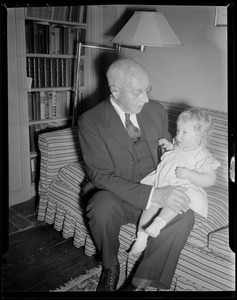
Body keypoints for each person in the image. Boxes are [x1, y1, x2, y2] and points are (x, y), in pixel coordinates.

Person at [78, 58, 193, 292]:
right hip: (115, 195)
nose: (146, 99)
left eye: (147, 89)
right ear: (115, 91)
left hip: (153, 190)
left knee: (185, 213)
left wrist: (174, 153)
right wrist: (155, 195)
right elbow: (101, 176)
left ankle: (139, 283)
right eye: (138, 92)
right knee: (101, 206)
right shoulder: (91, 120)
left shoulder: (155, 110)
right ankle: (110, 265)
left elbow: (170, 149)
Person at [129, 108, 221, 256]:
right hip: (161, 182)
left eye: (184, 132)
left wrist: (189, 174)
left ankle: (159, 222)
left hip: (182, 187)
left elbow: (210, 179)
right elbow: (176, 154)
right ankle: (140, 239)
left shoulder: (202, 156)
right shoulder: (179, 144)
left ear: (200, 136)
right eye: (178, 130)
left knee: (175, 203)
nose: (178, 135)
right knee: (149, 206)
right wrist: (170, 147)